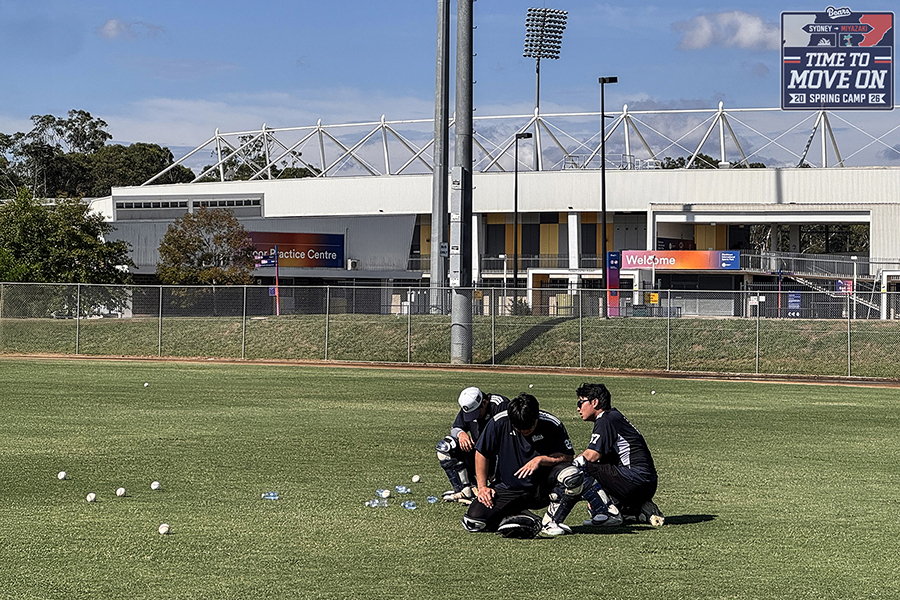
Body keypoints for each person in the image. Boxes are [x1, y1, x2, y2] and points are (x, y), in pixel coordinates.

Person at [461, 393, 582, 538]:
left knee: (572, 474)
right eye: (520, 429)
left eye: (529, 428)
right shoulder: (499, 421)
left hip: (542, 489)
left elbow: (568, 457)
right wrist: (482, 487)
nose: (524, 432)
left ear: (537, 417)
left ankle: (552, 521)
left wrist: (541, 459)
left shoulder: (552, 423)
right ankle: (517, 516)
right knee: (474, 521)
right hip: (508, 488)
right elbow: (482, 453)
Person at [557, 382, 664, 528]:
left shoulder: (605, 419)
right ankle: (637, 510)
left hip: (635, 480)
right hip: (647, 483)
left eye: (580, 402)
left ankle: (608, 514)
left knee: (583, 467)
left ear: (594, 402)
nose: (578, 408)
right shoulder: (613, 416)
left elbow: (591, 456)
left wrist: (566, 470)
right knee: (600, 466)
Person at [437, 387, 509, 504]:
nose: (474, 417)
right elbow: (455, 427)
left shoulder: (500, 405)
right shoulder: (469, 406)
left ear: (484, 403)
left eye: (476, 413)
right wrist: (461, 434)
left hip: (499, 456)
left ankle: (497, 488)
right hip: (478, 453)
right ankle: (466, 491)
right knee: (446, 447)